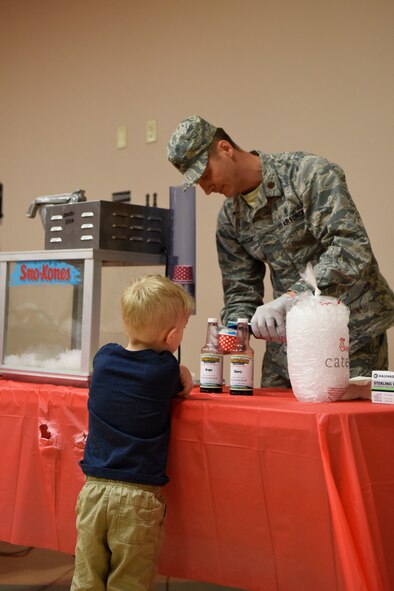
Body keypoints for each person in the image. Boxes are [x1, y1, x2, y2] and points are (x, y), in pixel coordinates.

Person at [167, 115, 394, 387]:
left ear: (225, 149)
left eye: (205, 175)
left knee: (339, 423)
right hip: (288, 342)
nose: (206, 189)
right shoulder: (231, 218)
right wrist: (233, 331)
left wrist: (289, 298)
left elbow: (351, 249)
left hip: (348, 335)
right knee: (275, 424)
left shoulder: (308, 174)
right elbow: (241, 290)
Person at [70, 274, 194, 591]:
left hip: (93, 489)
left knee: (86, 576)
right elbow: (180, 386)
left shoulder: (104, 358)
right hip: (138, 495)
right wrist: (183, 370)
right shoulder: (164, 369)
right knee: (129, 581)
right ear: (172, 337)